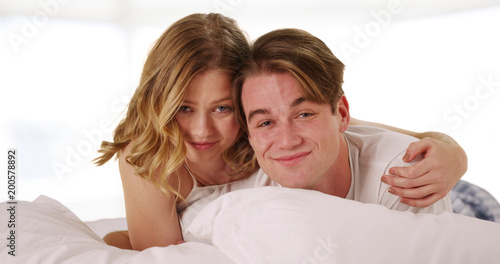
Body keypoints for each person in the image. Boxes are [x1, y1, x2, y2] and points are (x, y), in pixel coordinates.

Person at [94, 14, 466, 250]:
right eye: (183, 108)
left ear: (240, 104)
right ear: (159, 102)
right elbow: (162, 256)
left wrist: (454, 155)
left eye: (222, 107)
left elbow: (352, 126)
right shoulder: (149, 159)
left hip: (443, 193)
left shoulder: (267, 126)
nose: (201, 129)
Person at [233, 28, 461, 213]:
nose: (287, 141)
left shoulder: (403, 177)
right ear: (249, 136)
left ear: (341, 114)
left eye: (304, 114)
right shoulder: (237, 198)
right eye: (265, 123)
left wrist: (455, 153)